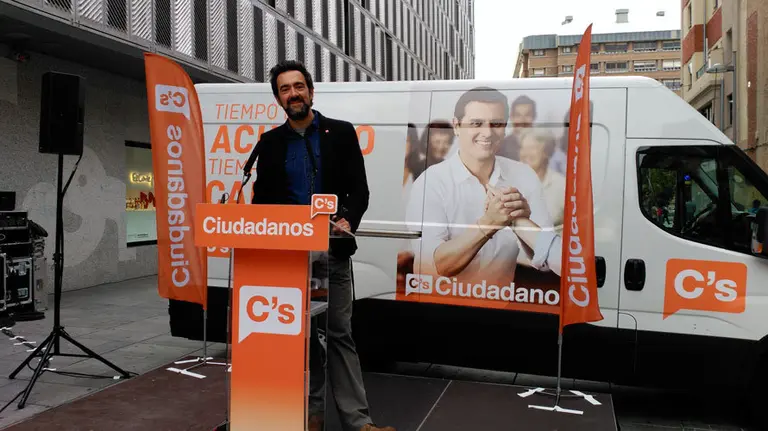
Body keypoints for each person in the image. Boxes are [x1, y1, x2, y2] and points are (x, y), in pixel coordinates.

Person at [251, 60, 395, 431]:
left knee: (338, 335)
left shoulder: (341, 133)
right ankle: (310, 416)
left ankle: (359, 423)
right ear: (278, 98)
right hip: (289, 258)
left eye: (299, 86)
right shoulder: (269, 144)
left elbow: (359, 190)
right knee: (299, 339)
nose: (293, 94)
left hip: (331, 253)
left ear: (311, 92)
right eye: (285, 89)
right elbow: (262, 202)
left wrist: (347, 218)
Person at [405, 87, 562, 289]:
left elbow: (546, 260)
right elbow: (432, 267)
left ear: (505, 127)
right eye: (476, 123)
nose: (487, 132)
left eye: (496, 124)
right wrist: (489, 223)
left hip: (501, 307)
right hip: (441, 309)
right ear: (456, 125)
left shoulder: (524, 175)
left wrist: (522, 223)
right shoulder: (431, 182)